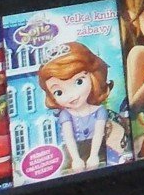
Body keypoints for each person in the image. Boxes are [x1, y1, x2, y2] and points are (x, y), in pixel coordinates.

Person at [37, 42, 127, 171]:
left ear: (94, 77)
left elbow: (98, 133)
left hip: (100, 149)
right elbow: (68, 137)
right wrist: (76, 159)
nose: (72, 96)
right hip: (74, 151)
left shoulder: (99, 111)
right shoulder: (66, 114)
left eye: (79, 82)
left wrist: (94, 156)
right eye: (59, 92)